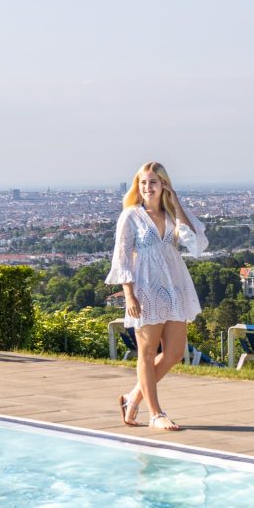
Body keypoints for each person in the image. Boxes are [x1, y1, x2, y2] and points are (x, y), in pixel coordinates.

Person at [106, 161, 208, 431]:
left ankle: (131, 399)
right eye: (143, 182)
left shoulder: (173, 214)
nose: (147, 187)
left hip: (175, 287)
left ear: (163, 184)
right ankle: (155, 413)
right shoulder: (131, 215)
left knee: (174, 353)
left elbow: (197, 244)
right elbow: (122, 257)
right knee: (147, 353)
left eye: (153, 182)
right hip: (145, 288)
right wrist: (129, 295)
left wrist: (178, 205)